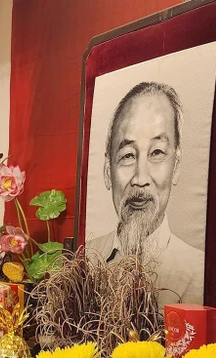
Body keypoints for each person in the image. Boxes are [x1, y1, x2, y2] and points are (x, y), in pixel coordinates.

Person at [86, 81, 204, 305]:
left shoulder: (199, 272)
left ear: (176, 166)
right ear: (107, 171)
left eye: (157, 152)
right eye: (128, 155)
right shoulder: (88, 258)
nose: (140, 179)